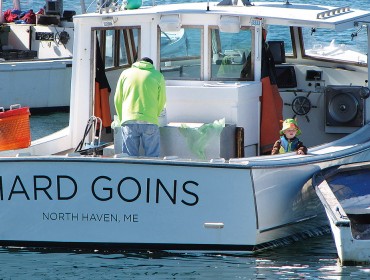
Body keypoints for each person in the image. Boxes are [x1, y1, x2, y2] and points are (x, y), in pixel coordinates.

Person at [114, 57, 166, 157]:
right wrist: (155, 115)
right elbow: (162, 100)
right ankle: (151, 172)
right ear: (151, 65)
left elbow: (117, 99)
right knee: (152, 157)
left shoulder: (125, 74)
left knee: (129, 157)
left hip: (129, 120)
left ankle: (129, 173)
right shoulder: (157, 75)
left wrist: (122, 118)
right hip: (150, 120)